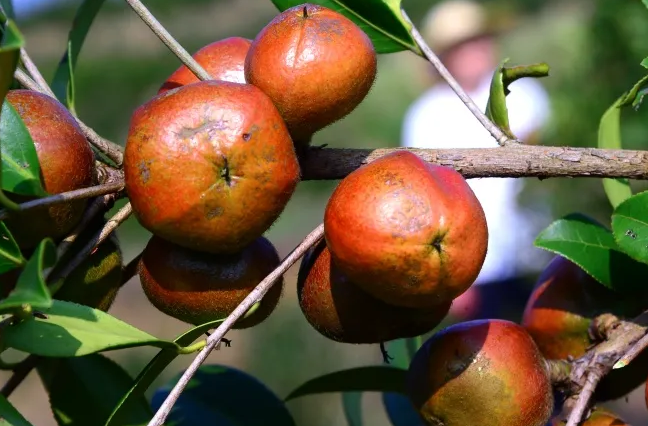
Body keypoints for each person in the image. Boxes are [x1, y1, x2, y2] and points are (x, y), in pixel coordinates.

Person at [401, 0, 551, 320]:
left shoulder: (525, 96)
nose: (474, 50)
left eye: (478, 40)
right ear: (443, 57)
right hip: (478, 272)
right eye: (462, 45)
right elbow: (424, 196)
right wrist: (452, 280)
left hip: (536, 255)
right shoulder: (425, 116)